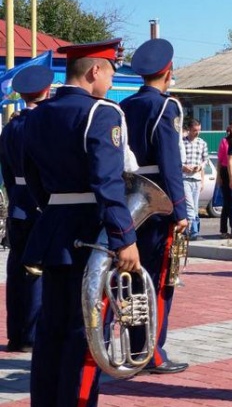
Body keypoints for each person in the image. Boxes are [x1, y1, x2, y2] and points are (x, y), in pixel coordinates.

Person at [22, 38, 142, 406]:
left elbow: (32, 180)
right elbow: (107, 182)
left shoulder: (36, 114)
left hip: (55, 227)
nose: (110, 82)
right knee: (87, 334)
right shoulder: (101, 113)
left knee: (51, 331)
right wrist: (125, 236)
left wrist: (56, 211)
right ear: (94, 71)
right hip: (91, 232)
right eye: (109, 73)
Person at [119, 38, 191, 374]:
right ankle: (151, 352)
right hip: (158, 200)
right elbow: (169, 161)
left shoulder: (125, 106)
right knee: (160, 279)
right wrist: (180, 210)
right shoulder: (167, 106)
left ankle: (133, 346)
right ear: (168, 71)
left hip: (130, 195)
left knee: (133, 278)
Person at [0, 65, 52, 353]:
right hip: (40, 203)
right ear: (46, 91)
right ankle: (31, 334)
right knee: (37, 272)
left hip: (18, 202)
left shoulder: (12, 126)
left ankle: (16, 334)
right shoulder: (43, 124)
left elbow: (7, 171)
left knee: (17, 272)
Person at [181, 118, 209, 241]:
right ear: (189, 130)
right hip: (185, 178)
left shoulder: (202, 143)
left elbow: (205, 159)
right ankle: (192, 231)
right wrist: (183, 167)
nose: (197, 132)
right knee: (189, 206)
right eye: (194, 130)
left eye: (199, 130)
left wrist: (200, 167)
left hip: (196, 178)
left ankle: (193, 231)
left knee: (195, 207)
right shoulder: (182, 143)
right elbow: (176, 159)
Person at [217, 121, 232, 238]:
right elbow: (220, 161)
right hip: (226, 173)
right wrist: (219, 177)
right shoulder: (225, 141)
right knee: (228, 202)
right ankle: (224, 230)